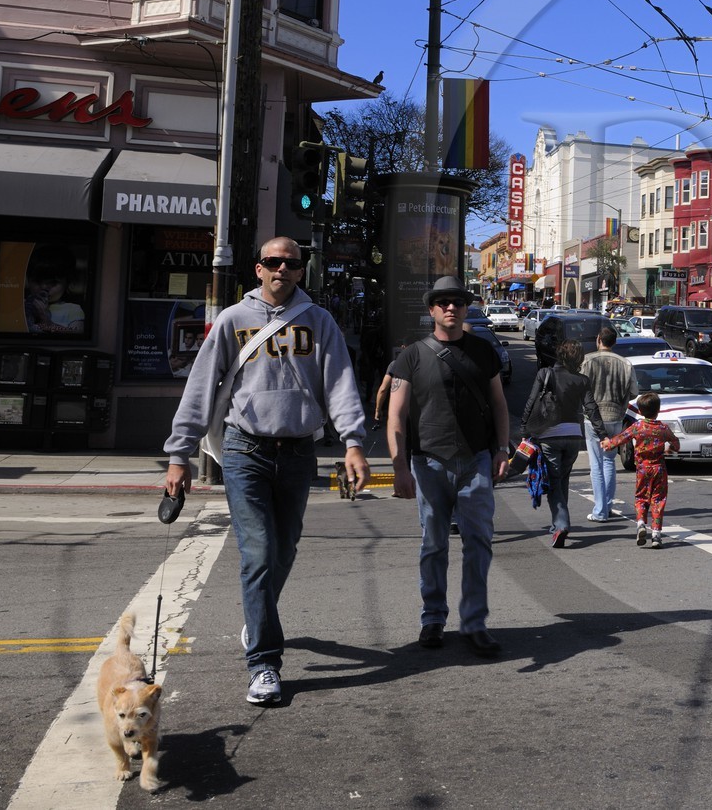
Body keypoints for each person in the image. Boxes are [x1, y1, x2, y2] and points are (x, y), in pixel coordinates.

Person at [162, 236, 368, 706]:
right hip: (244, 448)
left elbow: (340, 384)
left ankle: (257, 618)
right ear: (258, 269)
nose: (282, 269)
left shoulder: (319, 321)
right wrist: (180, 454)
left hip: (297, 451)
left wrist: (354, 442)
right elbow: (199, 387)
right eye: (273, 262)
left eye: (291, 263)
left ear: (301, 270)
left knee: (285, 548)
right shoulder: (234, 319)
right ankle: (264, 664)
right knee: (257, 552)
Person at [386, 276, 512, 657]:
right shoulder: (412, 356)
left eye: (458, 301)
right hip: (428, 462)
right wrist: (400, 467)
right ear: (432, 310)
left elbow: (499, 404)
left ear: (467, 306)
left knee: (478, 543)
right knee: (433, 544)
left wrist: (502, 449)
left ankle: (474, 622)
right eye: (443, 302)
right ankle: (433, 618)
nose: (451, 307)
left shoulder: (483, 351)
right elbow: (397, 415)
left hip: (475, 460)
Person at [520, 339, 597, 548]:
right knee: (562, 479)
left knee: (554, 482)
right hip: (573, 436)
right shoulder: (582, 380)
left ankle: (561, 524)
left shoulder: (546, 374)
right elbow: (591, 407)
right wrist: (602, 432)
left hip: (549, 436)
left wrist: (524, 428)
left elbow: (531, 401)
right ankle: (559, 523)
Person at [601, 391, 679, 549]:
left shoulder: (638, 427)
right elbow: (676, 444)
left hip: (643, 468)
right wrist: (668, 450)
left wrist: (606, 443)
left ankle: (641, 524)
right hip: (659, 468)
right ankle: (656, 534)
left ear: (641, 412)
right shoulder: (663, 428)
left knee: (641, 498)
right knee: (658, 500)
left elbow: (621, 438)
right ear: (658, 410)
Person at [580, 326, 638, 522]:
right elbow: (634, 393)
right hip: (615, 416)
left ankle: (600, 510)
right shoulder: (625, 363)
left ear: (598, 340)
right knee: (609, 462)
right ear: (614, 342)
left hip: (593, 418)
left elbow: (579, 388)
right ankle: (607, 505)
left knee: (595, 464)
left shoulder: (587, 361)